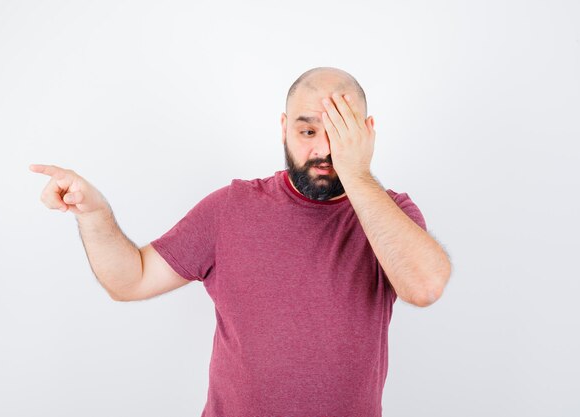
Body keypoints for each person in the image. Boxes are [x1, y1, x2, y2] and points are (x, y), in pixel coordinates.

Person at [30, 66, 451, 416]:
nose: (325, 150)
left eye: (340, 134)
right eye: (308, 132)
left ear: (367, 132)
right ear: (284, 128)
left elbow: (425, 287)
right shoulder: (230, 207)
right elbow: (130, 280)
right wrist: (95, 214)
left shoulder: (391, 214)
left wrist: (356, 173)